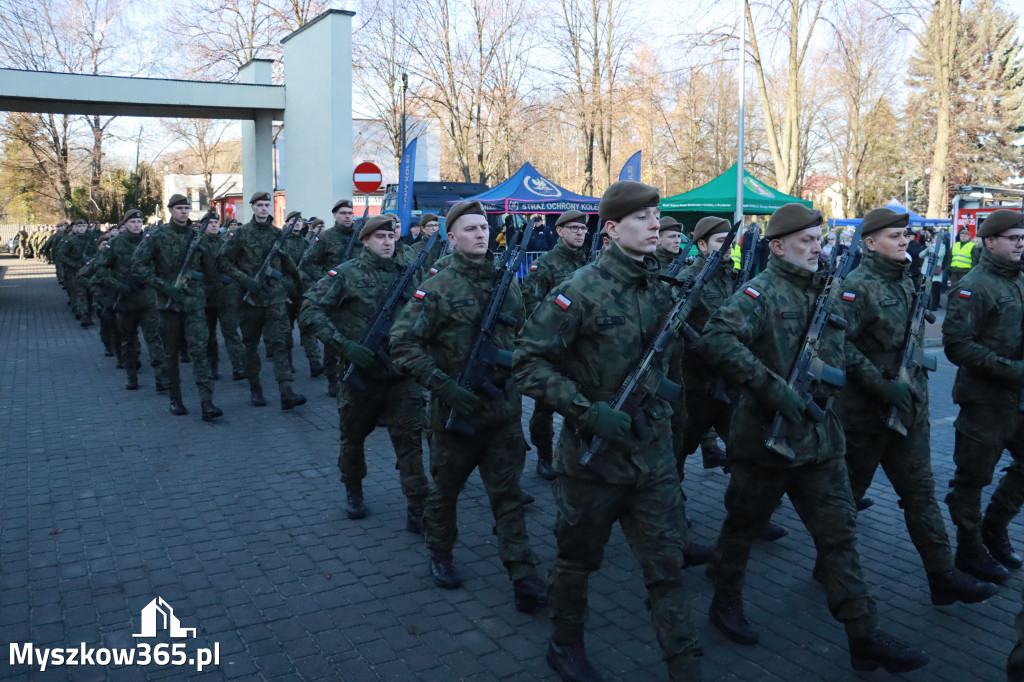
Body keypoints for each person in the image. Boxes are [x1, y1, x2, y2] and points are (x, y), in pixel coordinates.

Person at [700, 202, 928, 674]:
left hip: (821, 442)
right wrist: (771, 389)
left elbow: (844, 350)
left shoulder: (829, 289)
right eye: (806, 242)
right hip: (766, 441)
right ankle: (724, 601)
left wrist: (881, 384)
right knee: (742, 528)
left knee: (839, 536)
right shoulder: (759, 293)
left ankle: (863, 635)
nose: (816, 249)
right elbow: (716, 339)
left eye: (819, 240)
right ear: (778, 247)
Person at [515, 181, 702, 682]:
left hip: (653, 457)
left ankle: (684, 665)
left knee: (667, 566)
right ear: (612, 229)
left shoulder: (661, 286)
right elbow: (527, 363)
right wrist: (585, 411)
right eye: (642, 218)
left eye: (657, 217)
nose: (654, 226)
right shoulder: (578, 290)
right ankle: (564, 644)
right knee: (577, 562)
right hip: (593, 461)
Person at [390, 199, 546, 613]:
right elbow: (402, 343)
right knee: (445, 493)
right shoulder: (438, 285)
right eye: (471, 228)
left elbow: (524, 335)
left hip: (503, 415)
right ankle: (440, 553)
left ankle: (522, 572)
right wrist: (444, 387)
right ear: (451, 237)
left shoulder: (506, 281)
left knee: (509, 495)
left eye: (483, 227)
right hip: (453, 417)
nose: (480, 234)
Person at [835, 206, 997, 606]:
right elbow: (838, 345)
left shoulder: (906, 279)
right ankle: (830, 564)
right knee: (846, 499)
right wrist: (880, 385)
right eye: (894, 236)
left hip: (910, 411)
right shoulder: (856, 286)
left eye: (906, 234)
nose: (905, 240)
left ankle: (942, 576)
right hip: (866, 417)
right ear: (870, 243)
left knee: (921, 494)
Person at [300, 214, 430, 532]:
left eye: (391, 236)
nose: (388, 242)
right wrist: (344, 346)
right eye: (380, 237)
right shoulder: (346, 274)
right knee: (353, 438)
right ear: (366, 240)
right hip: (361, 375)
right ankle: (353, 490)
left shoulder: (410, 273)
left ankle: (417, 506)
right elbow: (308, 310)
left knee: (411, 442)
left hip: (402, 376)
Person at [942, 208, 1024, 585]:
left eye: (1022, 237)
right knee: (973, 478)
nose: (1021, 243)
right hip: (984, 400)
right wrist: (1013, 371)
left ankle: (995, 527)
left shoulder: (1019, 279)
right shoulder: (974, 286)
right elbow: (958, 347)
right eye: (1013, 237)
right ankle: (969, 547)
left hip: (1017, 399)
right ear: (991, 242)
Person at [132, 194, 222, 421]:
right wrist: (164, 286)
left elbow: (211, 270)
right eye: (179, 208)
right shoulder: (157, 236)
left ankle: (207, 402)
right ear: (170, 210)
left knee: (200, 352)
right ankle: (175, 398)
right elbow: (138, 266)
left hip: (194, 304)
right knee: (170, 354)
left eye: (186, 208)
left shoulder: (197, 237)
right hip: (167, 305)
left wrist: (207, 290)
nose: (184, 212)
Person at [217, 192, 307, 411]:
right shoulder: (241, 234)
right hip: (250, 301)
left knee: (281, 343)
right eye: (260, 205)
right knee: (250, 345)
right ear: (253, 208)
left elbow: (288, 265)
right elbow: (223, 261)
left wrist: (297, 288)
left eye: (267, 205)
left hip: (275, 298)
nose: (264, 208)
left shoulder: (279, 235)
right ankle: (255, 387)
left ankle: (286, 391)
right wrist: (247, 281)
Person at [520, 209, 590, 481]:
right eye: (573, 228)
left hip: (582, 349)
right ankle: (544, 455)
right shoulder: (546, 264)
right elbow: (532, 305)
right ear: (559, 231)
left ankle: (578, 453)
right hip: (554, 346)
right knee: (545, 406)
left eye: (583, 229)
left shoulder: (590, 261)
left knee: (582, 401)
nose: (579, 233)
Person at [92, 210, 165, 391]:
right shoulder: (115, 244)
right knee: (128, 340)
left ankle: (161, 378)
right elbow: (100, 269)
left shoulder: (150, 241)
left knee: (155, 339)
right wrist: (117, 286)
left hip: (148, 300)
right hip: (126, 301)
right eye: (132, 222)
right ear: (125, 224)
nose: (136, 225)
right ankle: (131, 375)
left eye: (139, 221)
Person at [301, 199, 360, 397]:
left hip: (358, 295)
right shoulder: (325, 237)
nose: (348, 216)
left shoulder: (362, 236)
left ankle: (354, 376)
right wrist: (328, 281)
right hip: (334, 296)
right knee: (332, 339)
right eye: (343, 213)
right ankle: (332, 378)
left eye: (350, 213)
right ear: (335, 215)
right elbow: (308, 263)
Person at [280, 211, 325, 378]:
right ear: (287, 222)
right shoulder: (280, 242)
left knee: (307, 326)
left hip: (303, 291)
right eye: (293, 220)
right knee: (285, 328)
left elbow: (310, 265)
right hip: (285, 291)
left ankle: (314, 361)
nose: (297, 223)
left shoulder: (306, 243)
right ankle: (287, 361)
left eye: (299, 221)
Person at [949, 225, 978, 290]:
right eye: (961, 236)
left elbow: (975, 260)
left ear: (969, 237)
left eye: (965, 236)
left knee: (964, 289)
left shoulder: (972, 246)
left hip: (966, 272)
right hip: (954, 272)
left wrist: (972, 272)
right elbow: (949, 258)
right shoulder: (955, 245)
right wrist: (949, 269)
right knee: (954, 289)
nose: (963, 237)